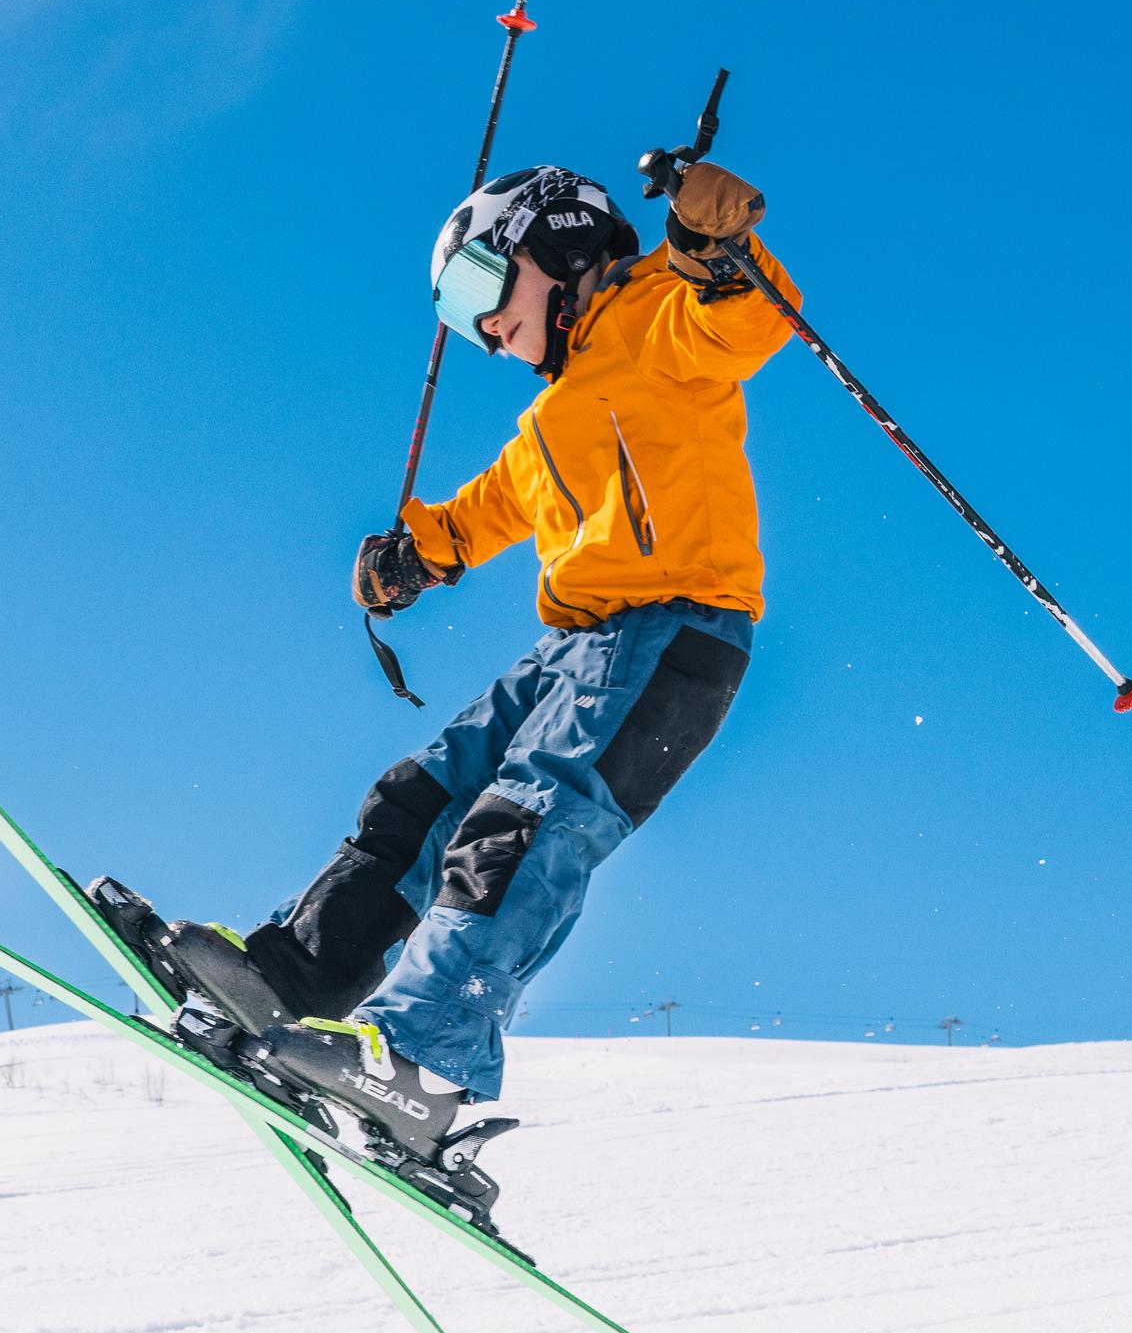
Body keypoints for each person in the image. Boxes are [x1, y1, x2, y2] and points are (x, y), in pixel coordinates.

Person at [96, 154, 793, 1168]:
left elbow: (747, 319)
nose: (485, 331)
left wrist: (714, 246)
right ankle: (293, 980)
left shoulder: (659, 318)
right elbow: (492, 505)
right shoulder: (558, 412)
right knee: (419, 796)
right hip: (578, 648)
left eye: (479, 288)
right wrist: (417, 556)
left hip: (674, 637)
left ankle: (424, 1063)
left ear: (557, 245)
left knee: (525, 821)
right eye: (462, 317)